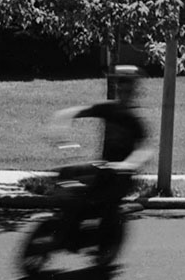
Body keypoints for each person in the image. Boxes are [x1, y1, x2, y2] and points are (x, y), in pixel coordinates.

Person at [49, 64, 154, 209]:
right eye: (121, 87)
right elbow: (78, 111)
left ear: (134, 91)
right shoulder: (108, 109)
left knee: (104, 213)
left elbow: (144, 151)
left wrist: (128, 164)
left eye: (128, 88)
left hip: (120, 179)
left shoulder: (135, 120)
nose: (124, 92)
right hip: (103, 170)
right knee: (68, 175)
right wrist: (62, 124)